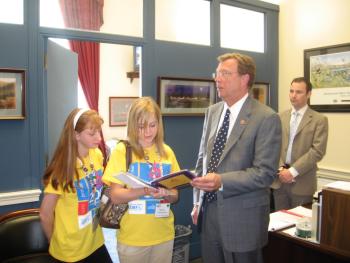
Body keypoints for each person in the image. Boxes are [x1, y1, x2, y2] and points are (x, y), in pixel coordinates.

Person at [191, 53, 282, 263]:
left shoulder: (266, 118)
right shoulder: (212, 112)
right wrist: (197, 202)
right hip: (209, 214)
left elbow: (265, 174)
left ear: (244, 79)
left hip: (243, 220)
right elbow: (202, 160)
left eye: (225, 73)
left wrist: (221, 181)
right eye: (217, 73)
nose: (218, 79)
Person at [103, 97, 180, 263]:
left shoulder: (167, 152)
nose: (148, 132)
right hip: (133, 239)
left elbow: (175, 196)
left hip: (164, 235)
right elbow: (115, 195)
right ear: (132, 126)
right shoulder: (122, 151)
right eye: (141, 127)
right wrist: (144, 191)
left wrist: (166, 193)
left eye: (152, 125)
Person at [40, 108, 112, 262]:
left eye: (99, 132)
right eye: (92, 134)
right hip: (70, 250)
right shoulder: (62, 169)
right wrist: (55, 243)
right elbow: (45, 214)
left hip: (95, 240)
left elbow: (99, 186)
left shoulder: (97, 155)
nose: (99, 138)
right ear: (76, 135)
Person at [272, 77, 328, 210]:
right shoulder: (279, 117)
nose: (293, 95)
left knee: (299, 226)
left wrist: (292, 171)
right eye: (291, 91)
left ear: (308, 94)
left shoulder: (319, 120)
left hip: (302, 183)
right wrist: (281, 170)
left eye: (298, 92)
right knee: (278, 225)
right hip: (279, 181)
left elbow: (317, 151)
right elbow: (272, 145)